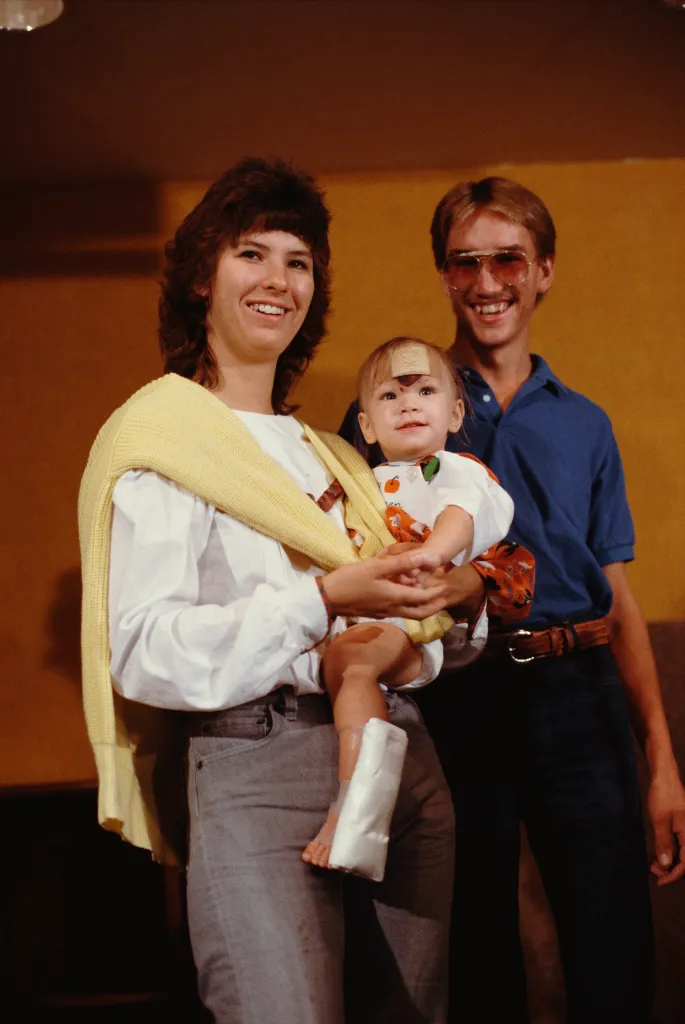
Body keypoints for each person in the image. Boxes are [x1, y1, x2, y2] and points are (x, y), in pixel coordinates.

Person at [79, 156, 501, 1024]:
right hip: (257, 763)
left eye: (297, 261)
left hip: (401, 752)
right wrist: (323, 599)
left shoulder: (334, 454)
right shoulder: (163, 438)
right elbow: (145, 652)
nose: (278, 279)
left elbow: (432, 632)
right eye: (251, 254)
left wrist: (458, 602)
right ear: (201, 280)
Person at [340, 176, 685, 1023]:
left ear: (543, 272)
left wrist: (660, 762)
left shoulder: (585, 424)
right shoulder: (396, 404)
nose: (487, 282)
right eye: (465, 262)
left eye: (508, 259)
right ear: (443, 274)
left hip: (577, 694)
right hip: (454, 692)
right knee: (472, 950)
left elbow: (615, 591)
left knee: (613, 953)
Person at [302, 336, 514, 879]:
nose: (409, 405)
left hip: (416, 618)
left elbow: (460, 517)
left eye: (425, 391)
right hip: (364, 611)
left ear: (455, 413)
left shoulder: (454, 469)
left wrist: (430, 554)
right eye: (390, 396)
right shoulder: (360, 483)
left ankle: (355, 812)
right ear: (367, 425)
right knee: (338, 665)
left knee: (352, 664)